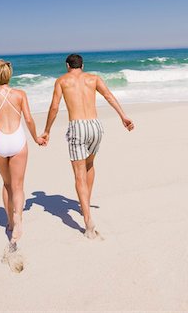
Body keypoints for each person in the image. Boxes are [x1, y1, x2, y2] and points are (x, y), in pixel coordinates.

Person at [41, 54, 134, 239]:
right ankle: (86, 204)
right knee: (90, 165)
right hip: (95, 126)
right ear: (82, 65)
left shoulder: (62, 81)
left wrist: (47, 130)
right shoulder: (94, 78)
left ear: (67, 65)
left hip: (77, 127)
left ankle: (88, 221)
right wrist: (123, 116)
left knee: (79, 174)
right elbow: (109, 96)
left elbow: (54, 107)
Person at [0, 59, 45, 246]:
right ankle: (18, 220)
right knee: (18, 186)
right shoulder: (20, 94)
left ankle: (9, 221)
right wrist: (36, 138)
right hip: (17, 139)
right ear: (10, 75)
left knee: (6, 183)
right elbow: (29, 119)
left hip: (0, 141)